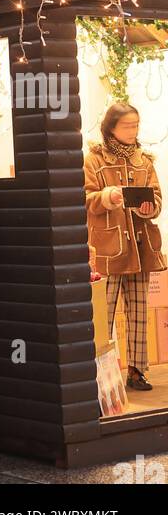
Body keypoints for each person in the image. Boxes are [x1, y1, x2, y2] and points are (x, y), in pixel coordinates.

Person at [85, 101, 166, 391]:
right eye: (127, 125)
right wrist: (107, 196)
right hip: (108, 249)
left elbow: (156, 199)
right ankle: (97, 374)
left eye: (136, 125)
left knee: (139, 312)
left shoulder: (144, 160)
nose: (133, 131)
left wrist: (148, 207)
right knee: (102, 314)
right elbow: (85, 198)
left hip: (141, 248)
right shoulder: (94, 159)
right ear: (111, 127)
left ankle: (136, 371)